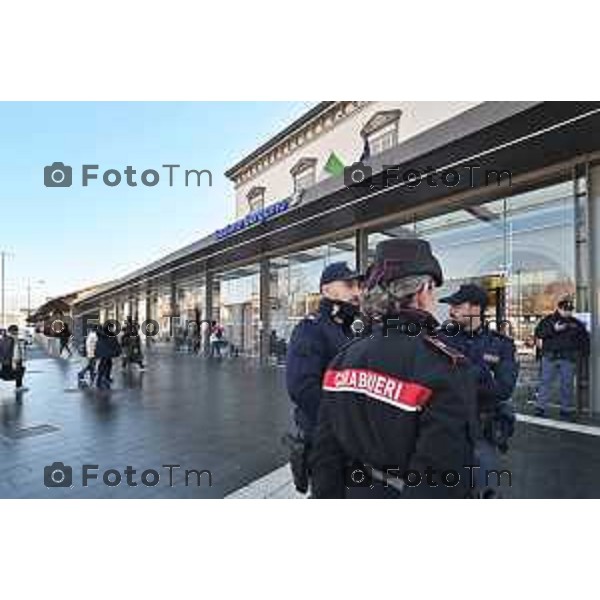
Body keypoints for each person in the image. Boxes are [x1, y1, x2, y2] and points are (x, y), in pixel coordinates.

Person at [310, 239, 478, 499]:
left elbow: (325, 454)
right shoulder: (444, 366)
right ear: (423, 291)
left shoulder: (343, 358)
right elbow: (438, 481)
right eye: (432, 290)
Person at [284, 261, 362, 494]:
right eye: (349, 284)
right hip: (325, 441)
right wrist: (340, 423)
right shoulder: (311, 329)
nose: (357, 291)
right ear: (327, 290)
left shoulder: (353, 329)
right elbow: (302, 388)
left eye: (358, 285)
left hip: (353, 441)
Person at [439, 283, 519, 493]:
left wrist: (465, 372)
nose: (451, 310)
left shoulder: (501, 344)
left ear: (476, 309)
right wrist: (482, 375)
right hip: (445, 429)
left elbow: (503, 389)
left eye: (458, 305)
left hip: (482, 434)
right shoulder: (440, 339)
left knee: (485, 491)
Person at [534, 296, 590, 418]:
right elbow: (539, 333)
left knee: (567, 384)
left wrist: (584, 354)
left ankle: (565, 409)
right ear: (558, 308)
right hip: (550, 356)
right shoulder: (548, 320)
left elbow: (584, 340)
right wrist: (553, 329)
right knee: (545, 382)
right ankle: (540, 407)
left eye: (569, 309)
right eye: (565, 309)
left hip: (568, 358)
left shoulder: (576, 323)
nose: (567, 311)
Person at [0, 324, 27, 393]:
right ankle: (19, 386)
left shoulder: (6, 339)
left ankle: (19, 386)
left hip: (8, 362)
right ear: (13, 332)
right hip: (11, 362)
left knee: (19, 370)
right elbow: (11, 352)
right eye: (16, 332)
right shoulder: (10, 340)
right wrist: (13, 361)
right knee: (18, 370)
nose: (17, 334)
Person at [95, 325, 121, 389]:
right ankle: (100, 379)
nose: (113, 329)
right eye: (112, 328)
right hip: (105, 353)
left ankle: (105, 377)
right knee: (104, 365)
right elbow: (113, 343)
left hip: (106, 353)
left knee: (108, 364)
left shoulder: (105, 335)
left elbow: (114, 343)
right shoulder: (106, 335)